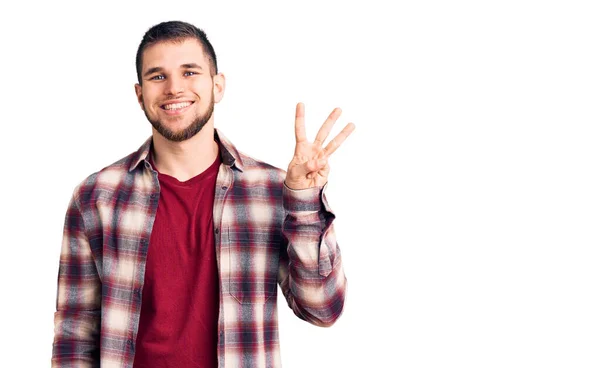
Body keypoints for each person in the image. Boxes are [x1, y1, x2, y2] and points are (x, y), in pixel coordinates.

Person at [51, 20, 354, 368]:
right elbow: (75, 335)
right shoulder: (96, 198)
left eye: (189, 72)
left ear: (218, 85)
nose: (174, 88)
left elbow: (323, 309)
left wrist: (302, 200)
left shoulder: (271, 191)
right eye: (157, 76)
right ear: (140, 95)